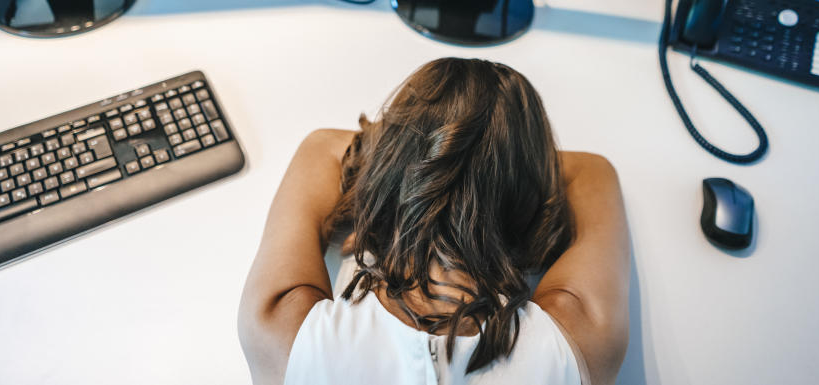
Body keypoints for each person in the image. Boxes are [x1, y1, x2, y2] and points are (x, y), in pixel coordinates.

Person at [239, 58, 630, 385]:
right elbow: (593, 172)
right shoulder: (574, 342)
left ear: (383, 175)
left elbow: (321, 146)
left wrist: (424, 148)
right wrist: (493, 152)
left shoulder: (286, 330)